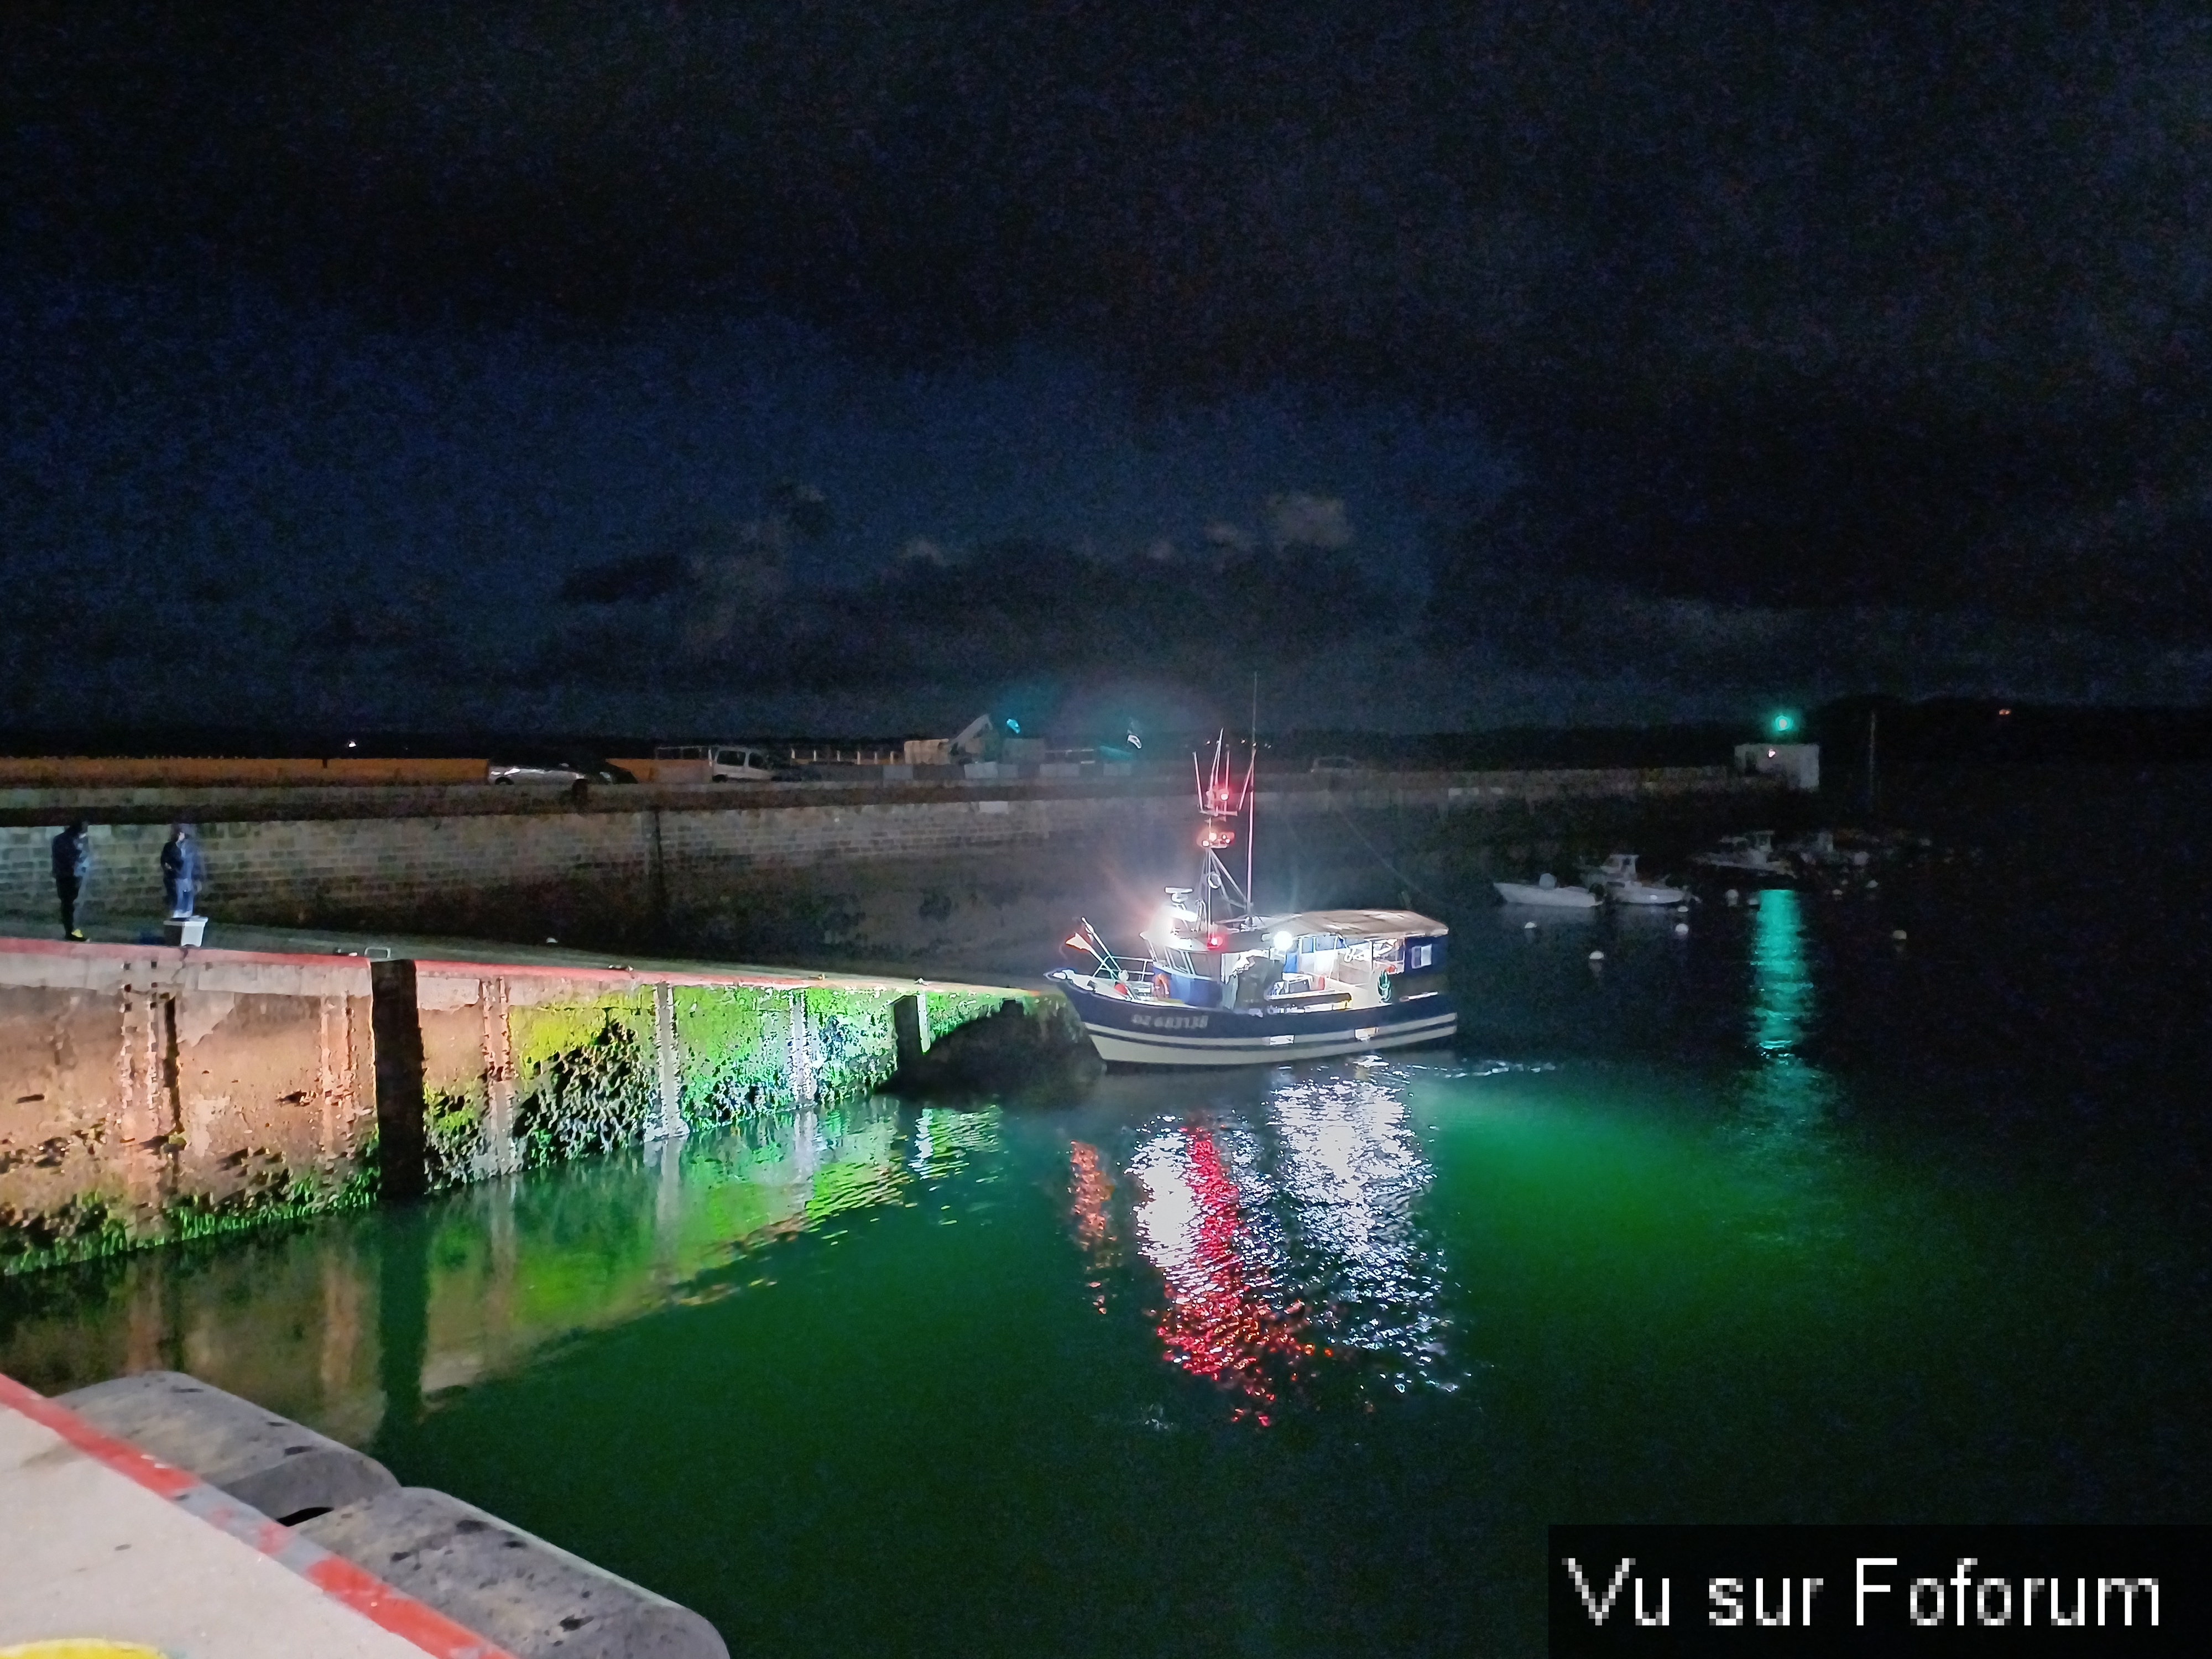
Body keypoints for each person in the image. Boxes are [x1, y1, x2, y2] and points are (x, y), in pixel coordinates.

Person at [51, 820, 91, 940]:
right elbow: (71, 857)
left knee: (68, 903)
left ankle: (70, 930)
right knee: (69, 904)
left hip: (65, 875)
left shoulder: (61, 839)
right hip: (68, 875)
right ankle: (70, 931)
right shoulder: (70, 840)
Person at [160, 823, 201, 920]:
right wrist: (172, 872)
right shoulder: (169, 847)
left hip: (188, 878)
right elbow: (165, 862)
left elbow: (196, 863)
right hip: (176, 878)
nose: (179, 835)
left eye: (181, 833)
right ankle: (176, 923)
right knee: (177, 904)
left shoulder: (190, 847)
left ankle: (186, 920)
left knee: (188, 905)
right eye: (177, 832)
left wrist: (198, 879)